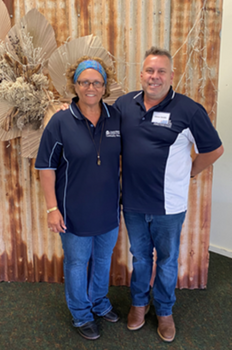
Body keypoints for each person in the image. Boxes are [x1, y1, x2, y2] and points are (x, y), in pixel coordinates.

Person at [114, 47, 224, 342]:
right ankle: (139, 304)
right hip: (134, 203)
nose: (155, 77)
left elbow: (214, 149)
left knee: (166, 260)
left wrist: (190, 172)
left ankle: (164, 310)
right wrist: (65, 107)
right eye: (150, 71)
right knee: (140, 258)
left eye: (162, 71)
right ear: (141, 74)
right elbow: (95, 119)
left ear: (172, 76)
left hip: (169, 206)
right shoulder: (124, 105)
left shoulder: (189, 110)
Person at [35, 56, 121, 340]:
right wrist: (52, 208)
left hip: (109, 210)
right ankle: (81, 314)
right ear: (76, 84)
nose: (90, 87)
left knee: (102, 260)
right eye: (84, 82)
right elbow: (46, 167)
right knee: (76, 263)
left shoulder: (115, 117)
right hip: (73, 212)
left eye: (97, 82)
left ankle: (98, 303)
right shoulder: (60, 121)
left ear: (105, 86)